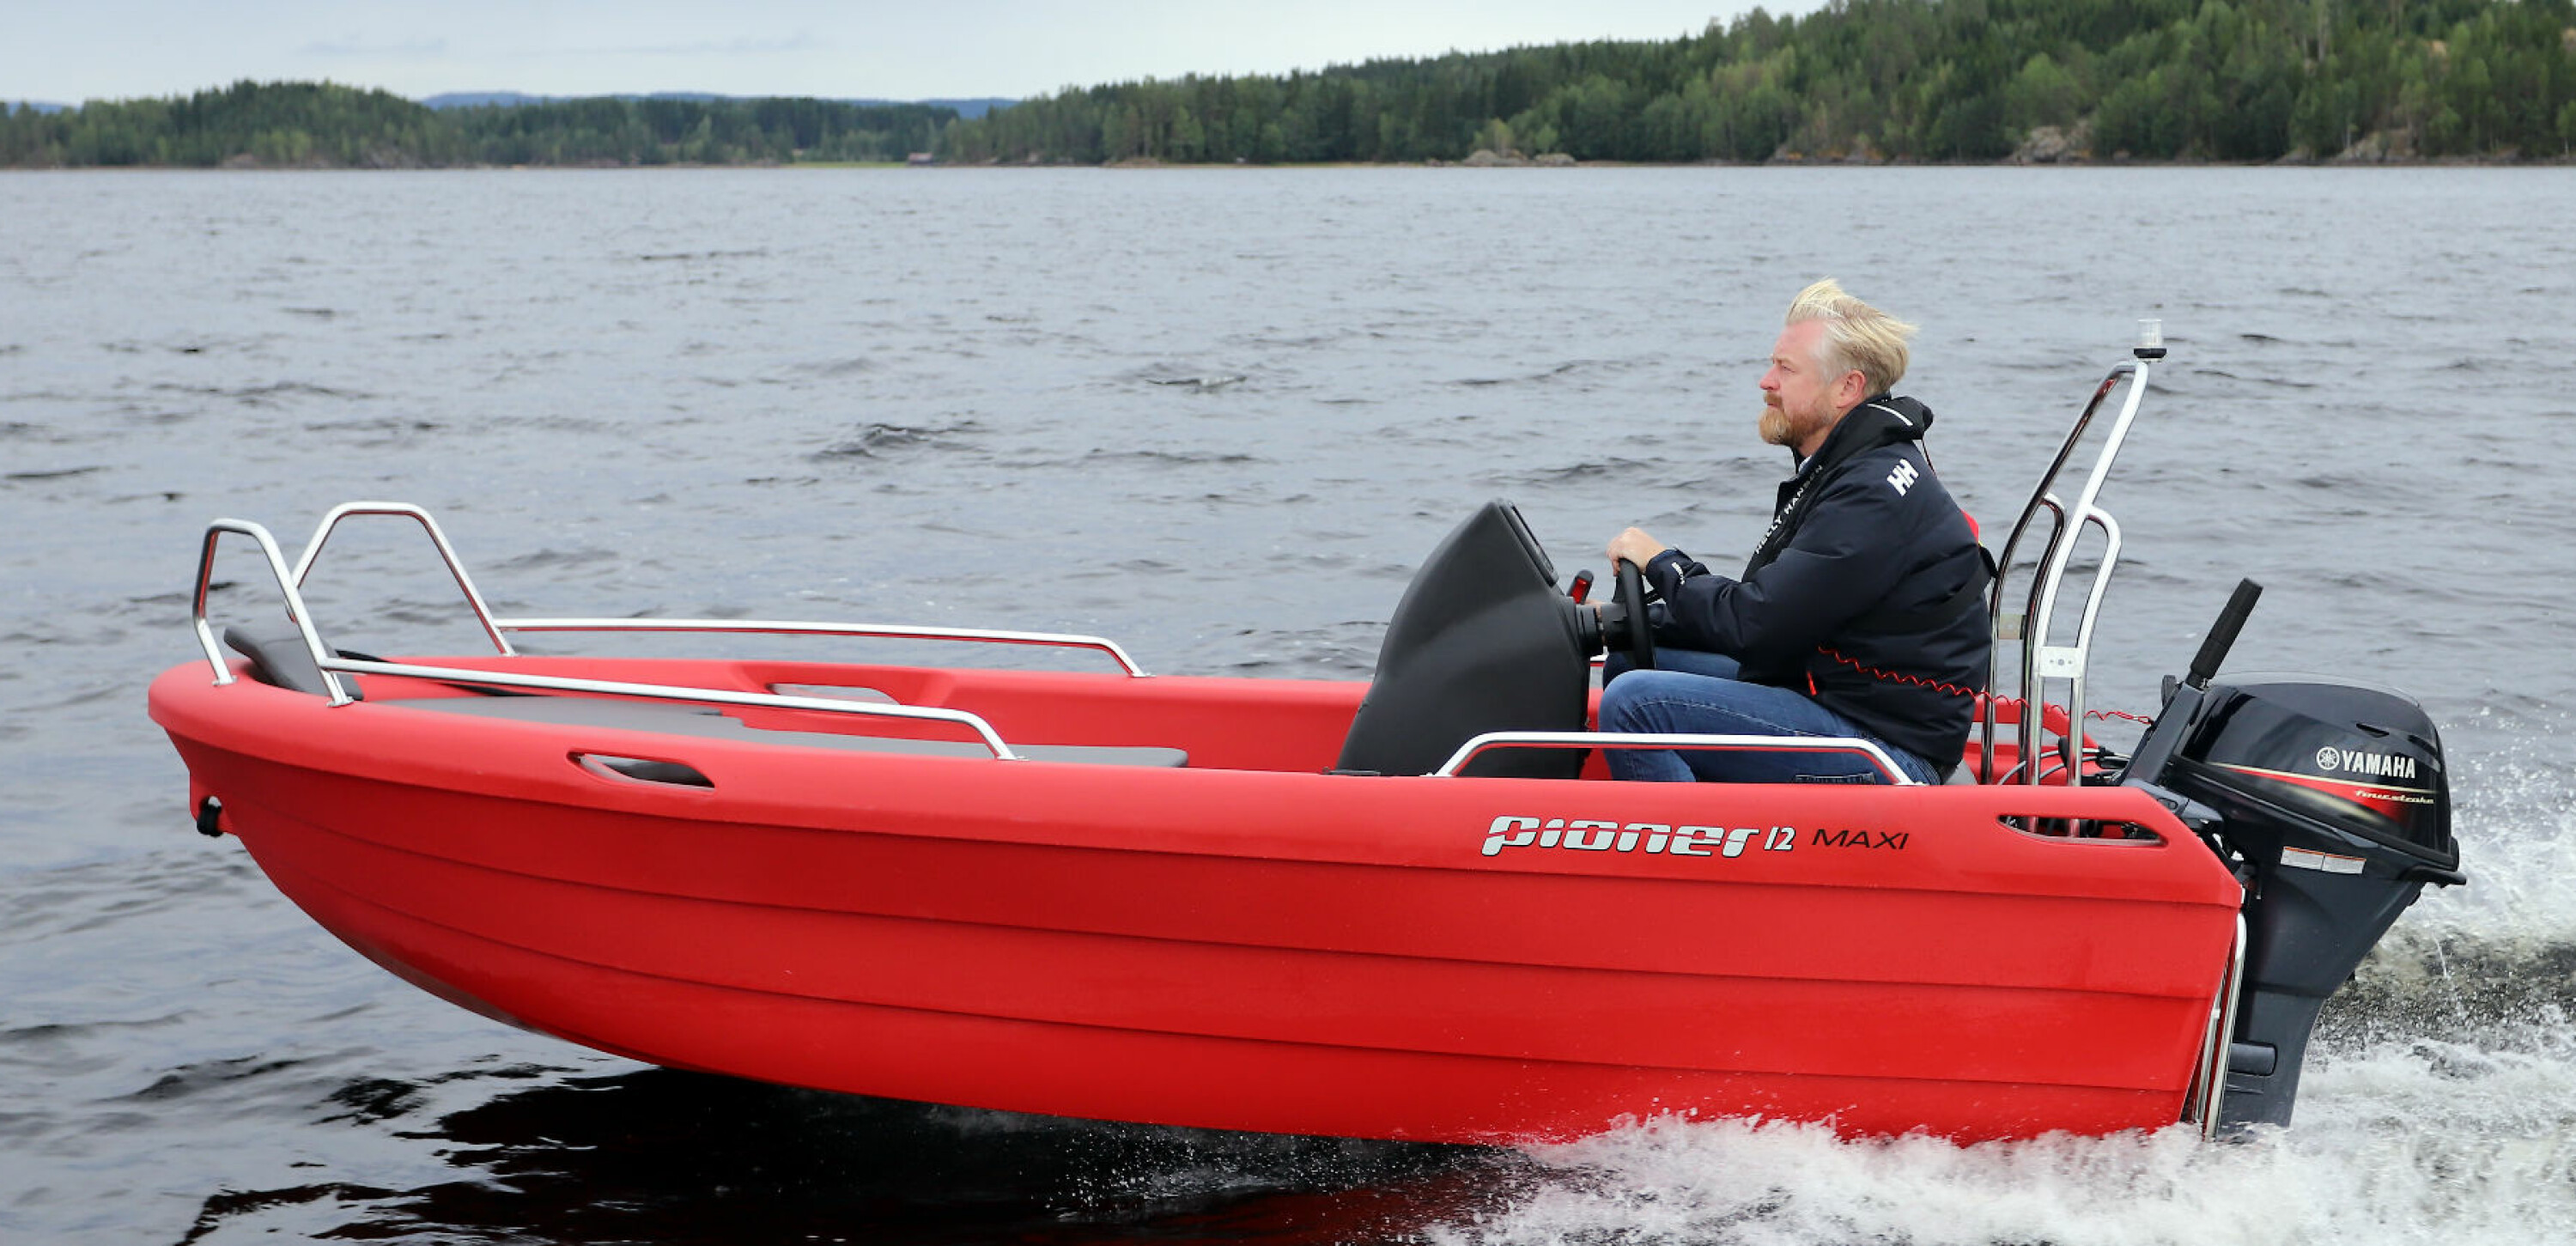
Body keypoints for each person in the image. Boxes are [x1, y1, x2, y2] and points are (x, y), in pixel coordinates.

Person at [1595, 278, 1990, 785]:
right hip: (1834, 691)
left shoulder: (1870, 493)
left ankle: (1699, 860)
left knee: (1636, 706)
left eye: (1786, 368)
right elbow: (1777, 616)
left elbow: (1754, 626)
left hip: (1889, 752)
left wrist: (1663, 564)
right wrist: (1621, 619)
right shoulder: (1856, 463)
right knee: (1630, 655)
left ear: (1847, 387)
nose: (1766, 381)